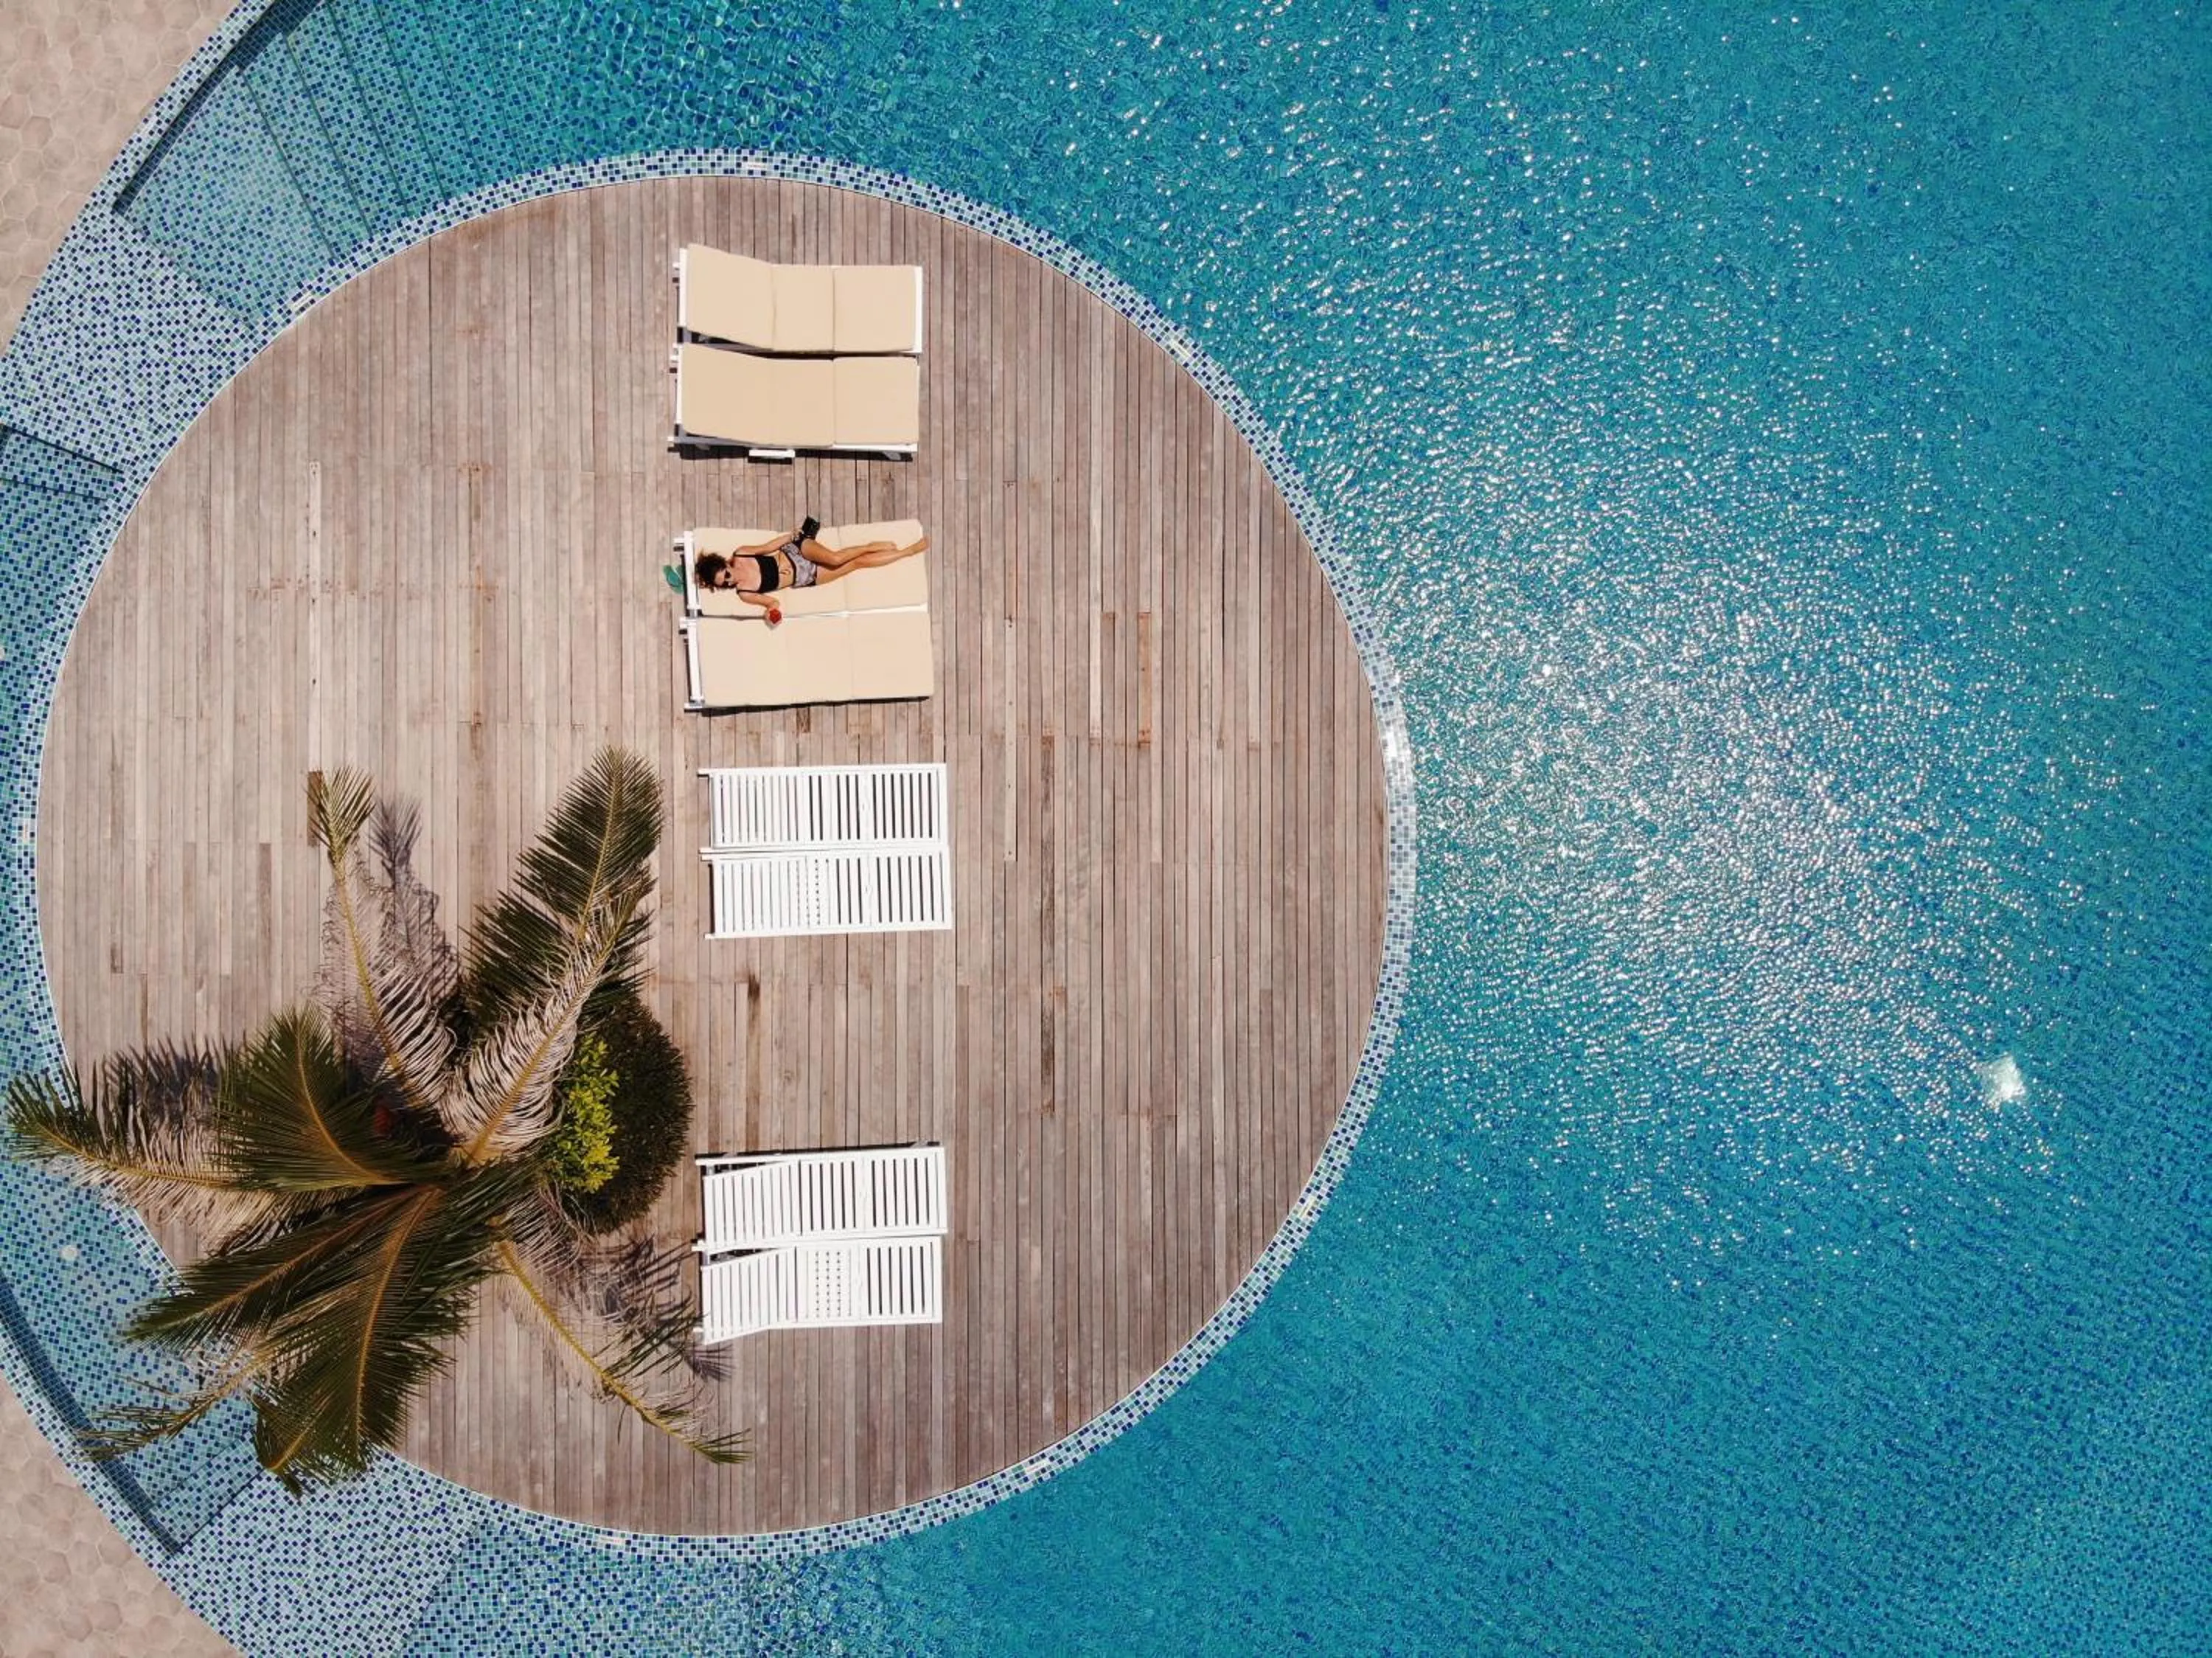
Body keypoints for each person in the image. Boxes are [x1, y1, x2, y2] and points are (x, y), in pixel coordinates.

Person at [695, 524, 928, 622]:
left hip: (797, 551)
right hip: (804, 577)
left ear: (725, 564)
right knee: (858, 565)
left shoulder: (742, 554)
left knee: (837, 558)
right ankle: (908, 552)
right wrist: (772, 613)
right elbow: (772, 602)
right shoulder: (744, 593)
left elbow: (768, 547)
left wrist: (791, 536)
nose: (730, 580)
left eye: (726, 575)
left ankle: (869, 545)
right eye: (724, 584)